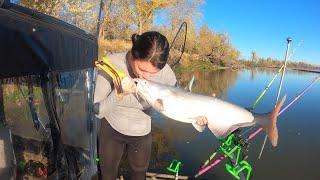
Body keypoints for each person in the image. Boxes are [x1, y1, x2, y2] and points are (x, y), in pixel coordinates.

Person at [94, 31, 207, 180]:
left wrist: (198, 115)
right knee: (107, 175)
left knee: (139, 174)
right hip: (111, 128)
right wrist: (118, 94)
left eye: (153, 73)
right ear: (134, 54)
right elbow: (97, 111)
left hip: (142, 131)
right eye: (142, 69)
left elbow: (180, 100)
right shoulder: (111, 64)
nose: (145, 77)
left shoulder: (166, 72)